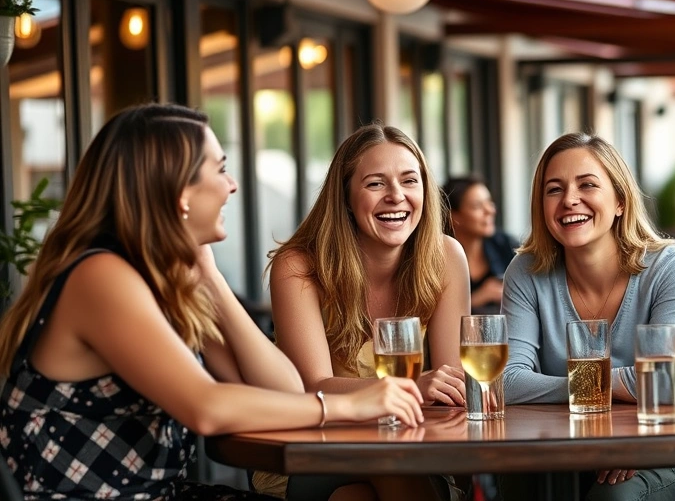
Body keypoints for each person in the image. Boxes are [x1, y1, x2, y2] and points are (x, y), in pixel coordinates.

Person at [0, 104, 425, 501]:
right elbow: (206, 407)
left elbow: (284, 389)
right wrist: (351, 403)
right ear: (179, 190)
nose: (232, 185)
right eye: (220, 169)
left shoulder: (167, 278)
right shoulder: (100, 277)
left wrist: (212, 279)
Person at [252, 123, 470, 501]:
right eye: (375, 184)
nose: (396, 196)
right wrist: (409, 389)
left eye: (409, 181)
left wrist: (428, 393)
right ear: (345, 198)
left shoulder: (446, 256)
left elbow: (452, 388)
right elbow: (313, 385)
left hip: (406, 447)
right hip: (317, 446)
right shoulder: (299, 266)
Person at [501, 132, 675, 501]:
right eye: (554, 189)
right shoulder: (526, 270)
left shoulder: (670, 267)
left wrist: (571, 391)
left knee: (614, 497)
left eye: (587, 184)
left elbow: (664, 384)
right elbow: (509, 382)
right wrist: (616, 386)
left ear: (620, 200)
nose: (569, 200)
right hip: (552, 450)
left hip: (651, 452)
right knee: (519, 485)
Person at [442, 175, 518, 315]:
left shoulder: (506, 246)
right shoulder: (439, 258)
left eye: (489, 202)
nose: (490, 210)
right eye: (477, 206)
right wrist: (479, 297)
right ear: (454, 217)